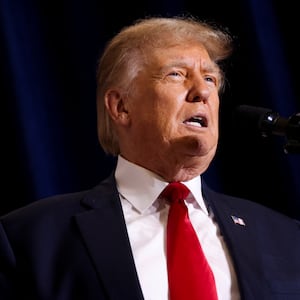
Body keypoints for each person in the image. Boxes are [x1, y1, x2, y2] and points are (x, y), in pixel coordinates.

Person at [0, 15, 299, 300]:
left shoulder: (285, 237)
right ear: (121, 107)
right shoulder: (31, 239)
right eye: (177, 74)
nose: (202, 92)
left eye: (210, 78)